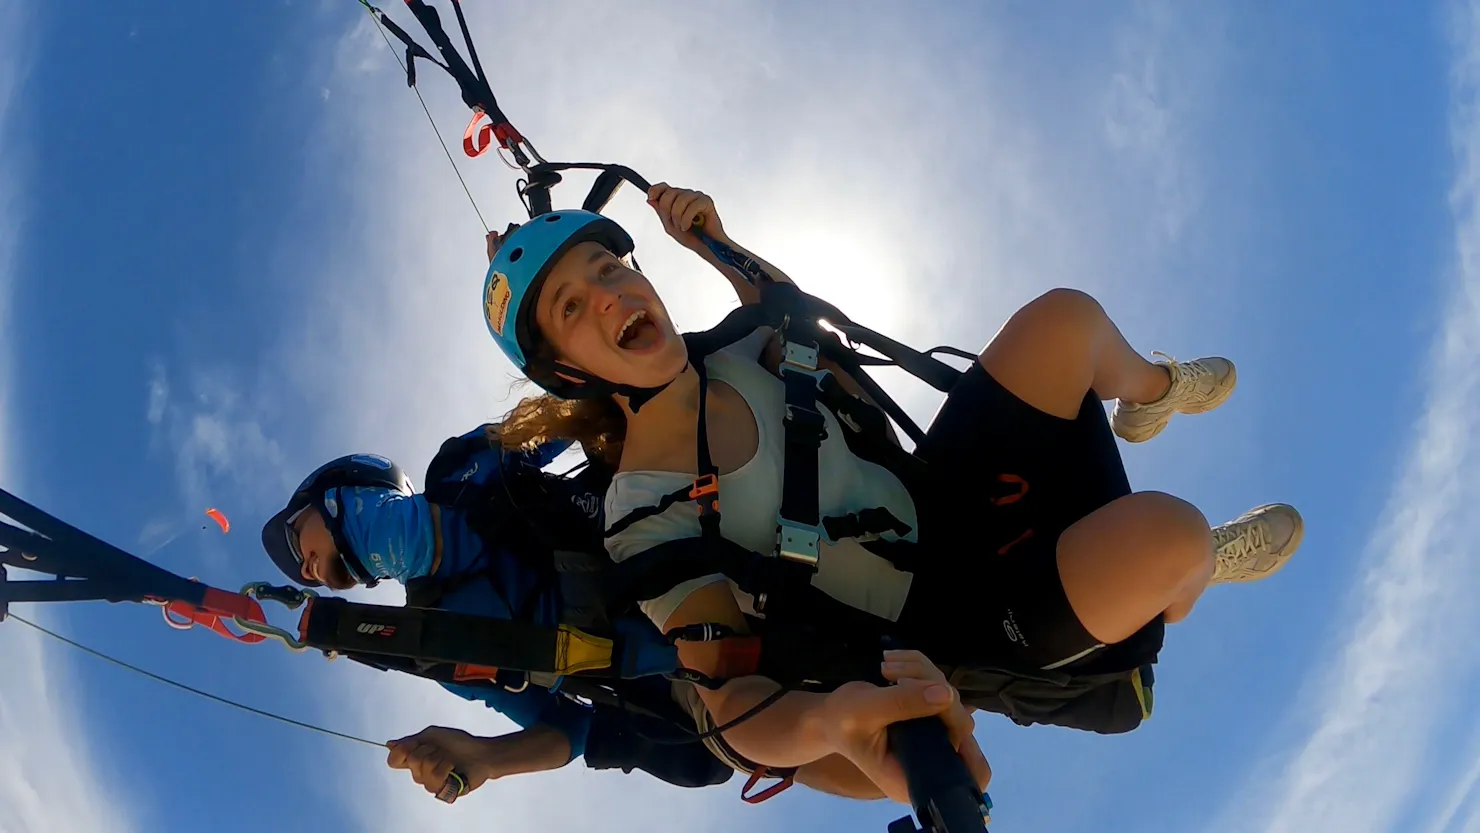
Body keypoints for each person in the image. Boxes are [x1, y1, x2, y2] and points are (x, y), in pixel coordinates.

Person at [479, 183, 1304, 804]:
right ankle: (1191, 579)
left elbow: (790, 311)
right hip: (953, 624)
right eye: (574, 306)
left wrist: (716, 242)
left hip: (946, 491)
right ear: (567, 370)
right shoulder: (645, 512)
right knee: (1174, 535)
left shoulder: (736, 349)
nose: (614, 296)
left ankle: (1152, 389)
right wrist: (831, 724)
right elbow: (727, 696)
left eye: (610, 268)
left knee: (1065, 319)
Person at [257, 423, 904, 802]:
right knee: (738, 732)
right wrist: (484, 756)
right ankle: (936, 787)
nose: (308, 571)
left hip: (690, 545)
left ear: (341, 489)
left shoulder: (463, 466)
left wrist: (538, 317)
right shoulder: (435, 639)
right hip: (684, 683)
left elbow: (574, 410)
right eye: (315, 576)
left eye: (297, 542)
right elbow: (565, 732)